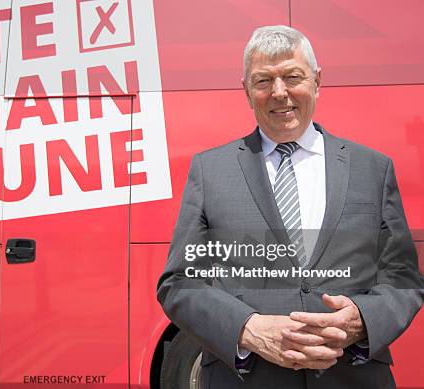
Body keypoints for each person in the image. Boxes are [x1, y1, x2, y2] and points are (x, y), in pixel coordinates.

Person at [157, 25, 423, 388]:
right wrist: (249, 330)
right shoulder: (210, 171)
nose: (279, 92)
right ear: (247, 92)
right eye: (263, 80)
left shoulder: (372, 168)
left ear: (316, 81)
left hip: (353, 378)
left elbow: (403, 277)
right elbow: (179, 283)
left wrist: (362, 318)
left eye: (292, 76)